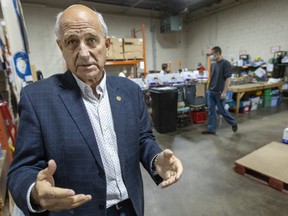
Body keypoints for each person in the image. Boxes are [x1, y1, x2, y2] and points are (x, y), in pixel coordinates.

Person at [7, 4, 183, 216]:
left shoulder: (129, 91)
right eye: (72, 42)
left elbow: (143, 139)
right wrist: (35, 193)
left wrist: (156, 159)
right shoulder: (37, 99)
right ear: (60, 47)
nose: (83, 53)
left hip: (130, 208)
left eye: (92, 40)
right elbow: (21, 170)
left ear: (106, 45)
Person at [202, 46, 238, 135]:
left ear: (218, 53)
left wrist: (224, 92)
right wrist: (208, 88)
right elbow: (212, 78)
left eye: (212, 54)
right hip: (211, 92)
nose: (211, 56)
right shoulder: (213, 64)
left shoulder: (226, 64)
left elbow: (228, 79)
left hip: (219, 92)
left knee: (221, 110)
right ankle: (211, 129)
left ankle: (233, 122)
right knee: (211, 111)